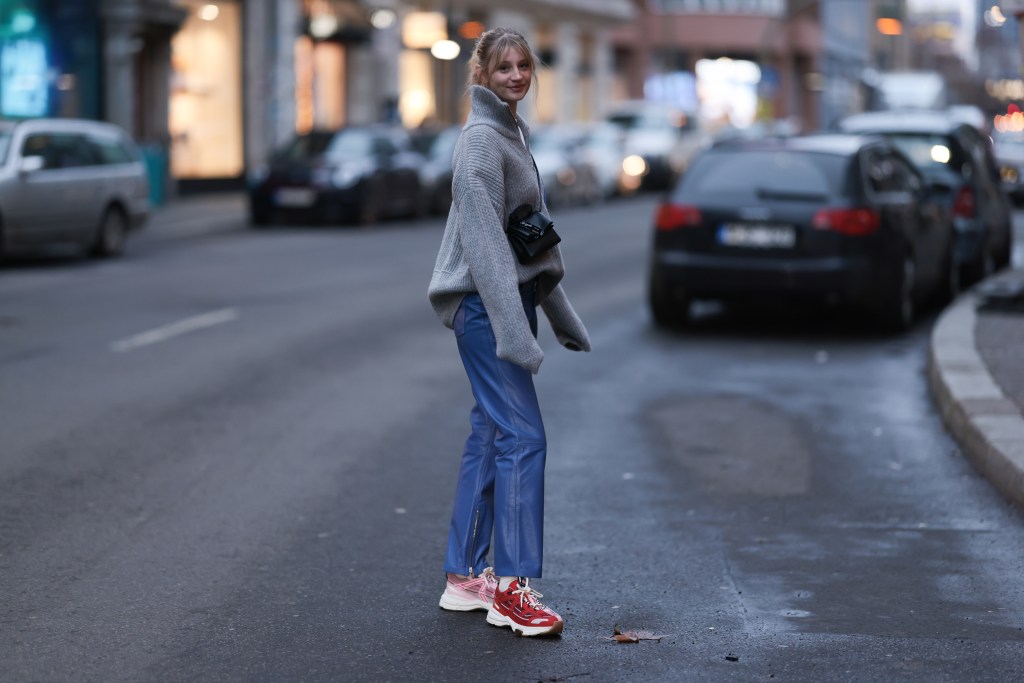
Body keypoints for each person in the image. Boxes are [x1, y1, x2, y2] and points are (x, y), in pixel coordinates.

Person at [427, 27, 591, 638]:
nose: (517, 76)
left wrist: (557, 314)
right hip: (484, 307)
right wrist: (514, 335)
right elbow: (489, 249)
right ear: (482, 74)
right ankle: (511, 589)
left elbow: (528, 236)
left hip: (505, 301)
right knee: (525, 437)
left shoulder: (510, 133)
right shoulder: (479, 144)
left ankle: (465, 576)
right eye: (503, 68)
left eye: (524, 65)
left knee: (493, 433)